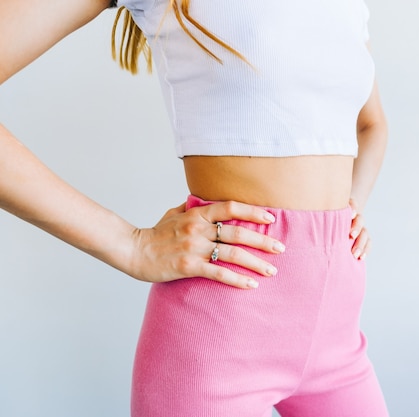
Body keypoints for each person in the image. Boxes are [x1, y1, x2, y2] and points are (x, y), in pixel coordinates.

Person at [0, 0, 389, 415]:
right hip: (217, 340)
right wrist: (130, 245)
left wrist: (352, 205)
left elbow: (372, 124)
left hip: (339, 337)